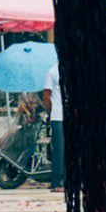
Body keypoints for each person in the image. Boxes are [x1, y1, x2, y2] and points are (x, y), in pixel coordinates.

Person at [42, 58, 64, 191]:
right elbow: (47, 95)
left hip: (58, 116)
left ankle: (57, 183)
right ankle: (60, 182)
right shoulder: (53, 71)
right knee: (63, 151)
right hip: (60, 116)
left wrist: (50, 111)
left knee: (59, 150)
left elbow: (46, 96)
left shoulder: (53, 71)